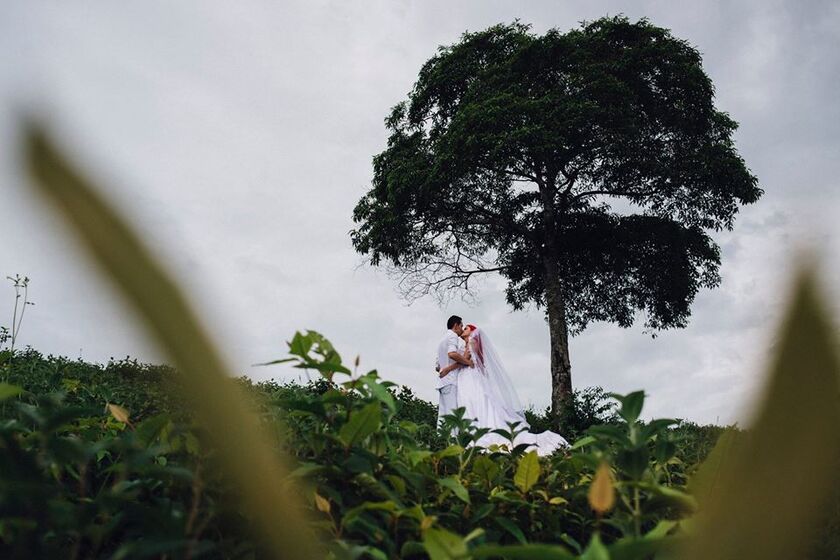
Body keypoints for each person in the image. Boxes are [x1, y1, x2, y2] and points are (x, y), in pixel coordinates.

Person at [438, 324, 569, 456]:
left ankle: (480, 431)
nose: (463, 329)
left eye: (466, 328)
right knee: (468, 404)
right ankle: (470, 432)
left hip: (472, 377)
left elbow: (467, 360)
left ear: (472, 332)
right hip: (464, 378)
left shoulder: (472, 342)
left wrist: (448, 369)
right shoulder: (463, 345)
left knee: (477, 403)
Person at [435, 315, 473, 425]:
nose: (462, 329)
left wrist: (445, 368)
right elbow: (452, 354)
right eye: (461, 326)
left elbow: (437, 366)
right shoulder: (453, 336)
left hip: (442, 382)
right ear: (455, 326)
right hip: (451, 381)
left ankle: (441, 440)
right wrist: (467, 362)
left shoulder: (442, 339)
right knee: (453, 415)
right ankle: (453, 440)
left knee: (443, 416)